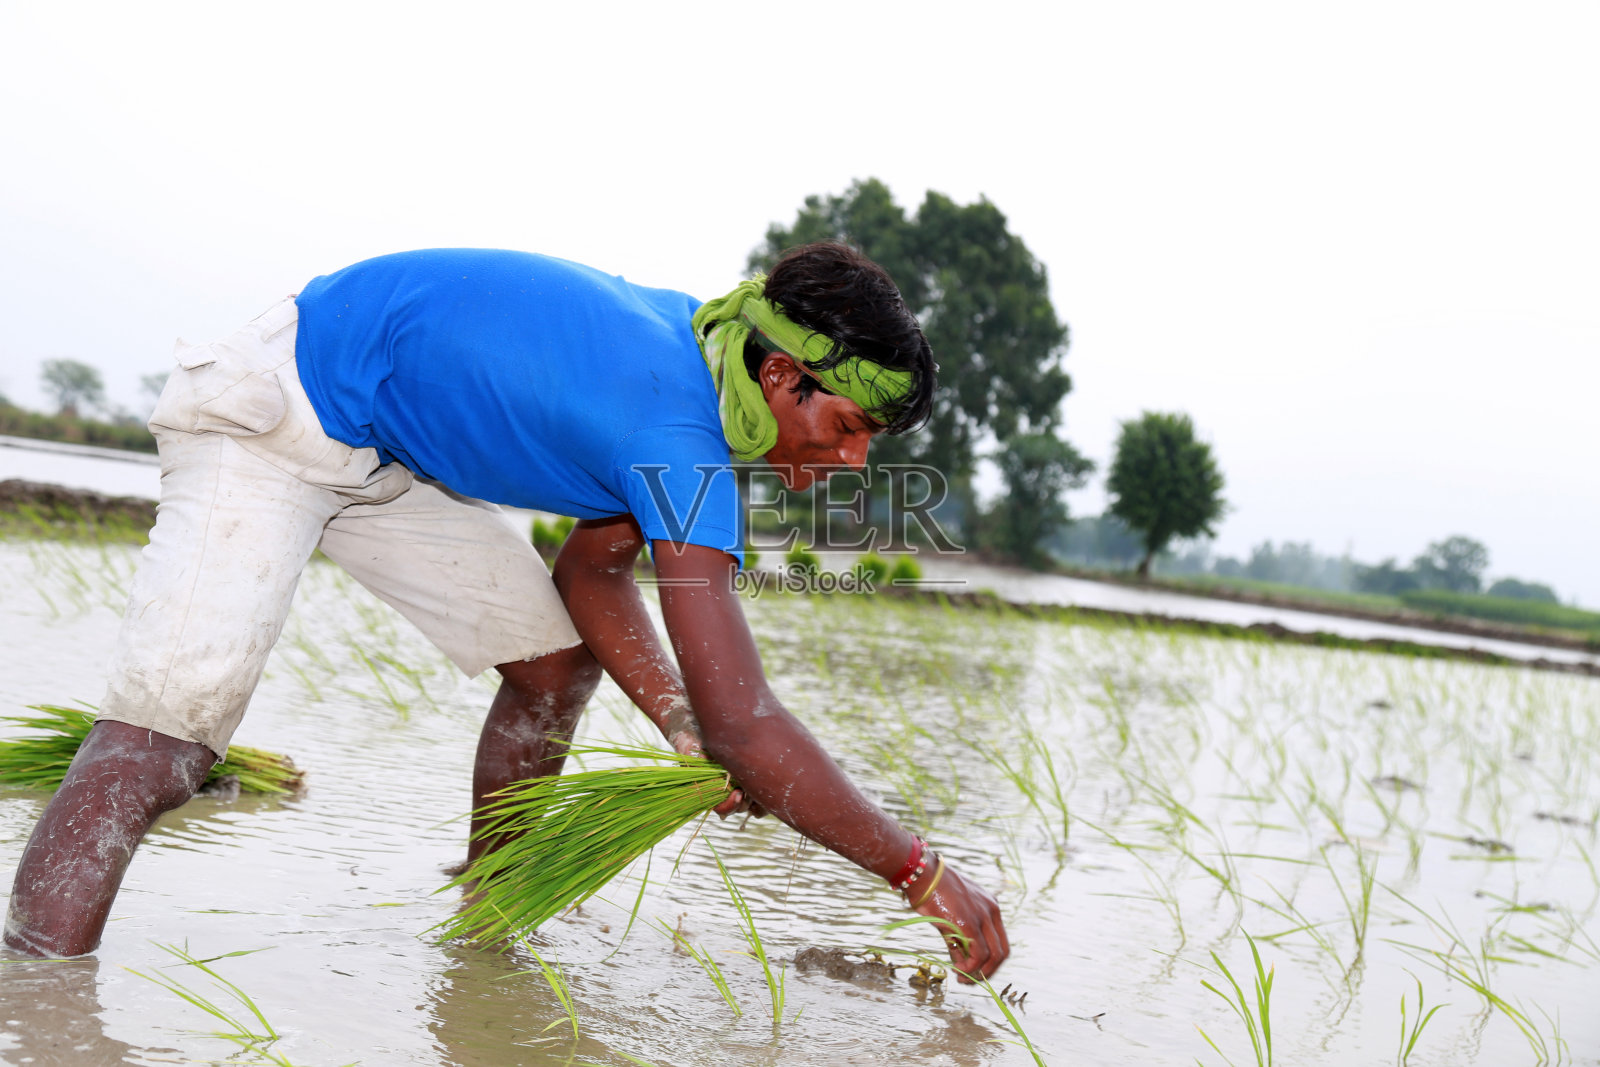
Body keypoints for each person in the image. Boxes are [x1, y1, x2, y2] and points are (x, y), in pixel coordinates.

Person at [3, 242, 1009, 980]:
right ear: (781, 374)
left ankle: (489, 919)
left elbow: (593, 575)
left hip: (389, 456)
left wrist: (677, 719)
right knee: (162, 748)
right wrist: (921, 873)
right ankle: (36, 993)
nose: (853, 460)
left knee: (551, 665)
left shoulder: (703, 369)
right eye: (847, 425)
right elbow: (748, 726)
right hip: (280, 409)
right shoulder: (675, 431)